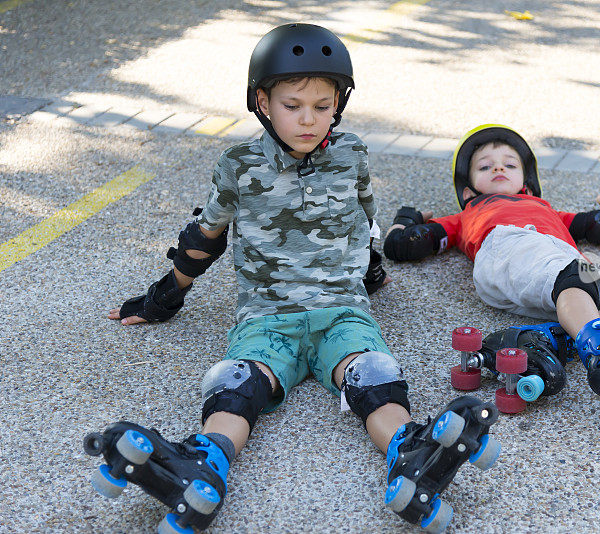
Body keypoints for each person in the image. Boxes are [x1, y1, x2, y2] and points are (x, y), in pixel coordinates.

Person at [83, 25, 500, 534]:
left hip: (340, 310)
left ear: (339, 104)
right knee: (236, 381)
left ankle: (408, 450)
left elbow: (362, 221)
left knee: (371, 369)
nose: (309, 119)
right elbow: (206, 234)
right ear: (262, 101)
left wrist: (369, 272)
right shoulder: (239, 164)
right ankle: (203, 465)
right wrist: (164, 297)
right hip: (267, 314)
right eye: (292, 104)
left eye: (323, 106)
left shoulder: (352, 154)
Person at [384, 124, 600, 418]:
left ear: (527, 184)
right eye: (485, 166)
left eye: (509, 164)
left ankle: (538, 341)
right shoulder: (469, 213)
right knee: (574, 272)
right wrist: (408, 219)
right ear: (468, 191)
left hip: (563, 263)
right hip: (507, 248)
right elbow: (401, 246)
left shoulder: (548, 210)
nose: (498, 166)